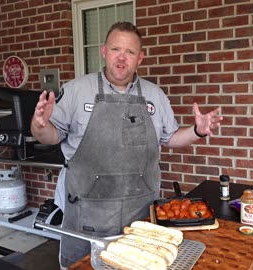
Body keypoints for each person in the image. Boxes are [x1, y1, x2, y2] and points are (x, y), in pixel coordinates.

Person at [31, 21, 223, 269]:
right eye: (115, 50)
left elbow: (171, 137)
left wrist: (198, 131)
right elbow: (49, 136)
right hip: (87, 217)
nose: (121, 59)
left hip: (141, 220)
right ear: (103, 51)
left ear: (140, 58)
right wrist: (39, 124)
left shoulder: (154, 95)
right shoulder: (77, 90)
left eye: (130, 52)